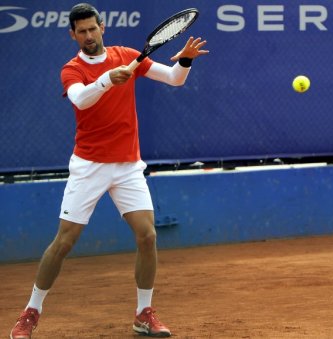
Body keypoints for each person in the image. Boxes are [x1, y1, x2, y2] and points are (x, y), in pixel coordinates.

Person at [10, 3, 208, 339]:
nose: (88, 36)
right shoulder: (71, 69)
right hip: (89, 166)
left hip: (128, 165)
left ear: (102, 27)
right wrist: (105, 80)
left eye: (92, 28)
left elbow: (174, 79)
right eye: (81, 31)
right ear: (72, 35)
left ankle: (144, 314)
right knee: (64, 242)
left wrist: (185, 60)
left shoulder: (128, 55)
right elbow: (80, 100)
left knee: (147, 235)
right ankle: (30, 312)